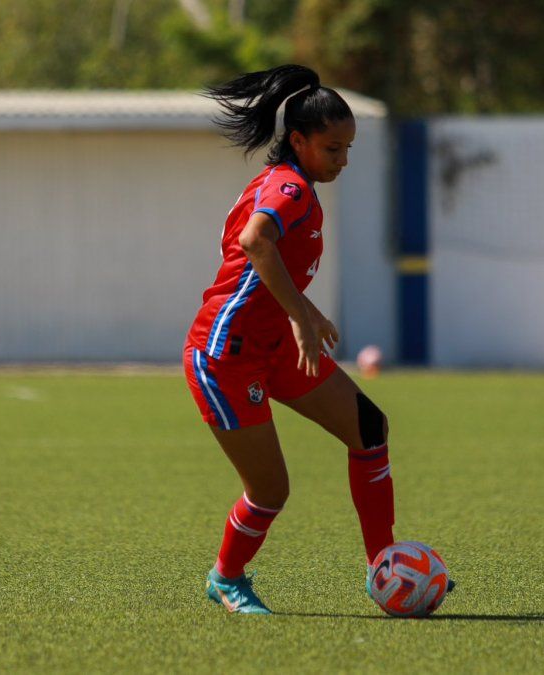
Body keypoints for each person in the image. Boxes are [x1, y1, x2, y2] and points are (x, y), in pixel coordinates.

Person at [184, 65, 402, 614]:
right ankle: (226, 578)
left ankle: (386, 565)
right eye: (333, 148)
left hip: (274, 346)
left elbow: (264, 263)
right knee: (271, 491)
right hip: (225, 358)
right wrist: (304, 321)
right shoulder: (288, 187)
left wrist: (305, 312)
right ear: (299, 141)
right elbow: (259, 241)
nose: (343, 160)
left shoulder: (289, 184)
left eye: (349, 148)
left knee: (369, 428)